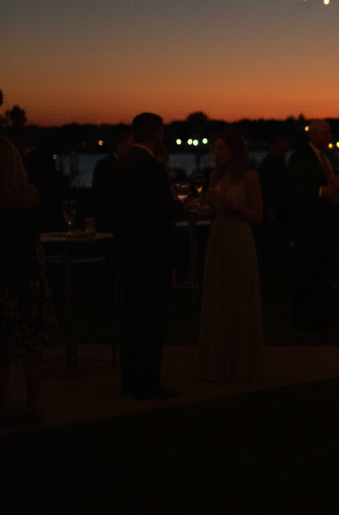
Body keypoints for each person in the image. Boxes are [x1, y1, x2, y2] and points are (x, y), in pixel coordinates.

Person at [113, 112, 180, 399]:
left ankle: (130, 381)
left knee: (131, 318)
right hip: (153, 255)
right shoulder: (152, 168)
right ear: (157, 135)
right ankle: (150, 382)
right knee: (153, 321)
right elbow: (165, 211)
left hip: (127, 252)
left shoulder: (121, 164)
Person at [196, 130, 264, 383]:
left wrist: (229, 204)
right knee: (218, 297)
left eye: (221, 148)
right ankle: (218, 363)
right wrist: (206, 206)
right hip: (218, 238)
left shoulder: (249, 177)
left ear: (234, 150)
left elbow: (257, 215)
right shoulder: (214, 176)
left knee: (238, 297)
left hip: (239, 238)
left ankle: (241, 363)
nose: (215, 153)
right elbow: (213, 208)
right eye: (215, 148)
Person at [0, 136, 59, 425]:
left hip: (3, 276)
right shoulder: (29, 194)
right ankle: (34, 402)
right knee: (32, 346)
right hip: (29, 275)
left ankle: (3, 405)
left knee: (2, 347)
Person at [287, 120, 339, 330]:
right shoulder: (300, 157)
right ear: (312, 135)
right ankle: (303, 317)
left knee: (325, 272)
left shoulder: (329, 156)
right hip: (309, 225)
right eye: (322, 133)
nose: (327, 136)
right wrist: (323, 191)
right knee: (307, 272)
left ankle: (320, 316)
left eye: (329, 133)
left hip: (329, 223)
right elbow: (294, 189)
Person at [256, 134, 290, 276]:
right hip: (273, 208)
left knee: (278, 239)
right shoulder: (272, 163)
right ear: (274, 145)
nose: (286, 148)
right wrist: (270, 208)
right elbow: (267, 188)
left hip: (277, 207)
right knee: (275, 239)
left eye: (286, 144)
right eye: (282, 144)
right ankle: (275, 270)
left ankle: (277, 269)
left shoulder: (275, 161)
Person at [92, 129, 134, 233]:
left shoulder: (128, 165)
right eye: (130, 146)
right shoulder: (105, 166)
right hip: (110, 220)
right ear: (120, 146)